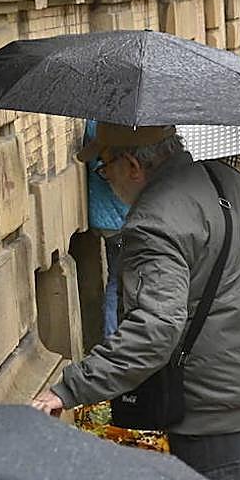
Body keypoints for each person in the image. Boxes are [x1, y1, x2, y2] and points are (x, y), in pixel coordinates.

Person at [31, 124, 240, 480]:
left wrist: (69, 388)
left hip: (213, 404)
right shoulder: (229, 179)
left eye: (105, 167)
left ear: (132, 164)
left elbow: (155, 329)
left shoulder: (154, 222)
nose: (106, 177)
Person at [84, 119, 129, 339]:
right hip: (119, 218)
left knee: (115, 278)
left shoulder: (93, 121)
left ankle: (112, 336)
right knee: (120, 280)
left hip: (105, 217)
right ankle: (113, 336)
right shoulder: (110, 126)